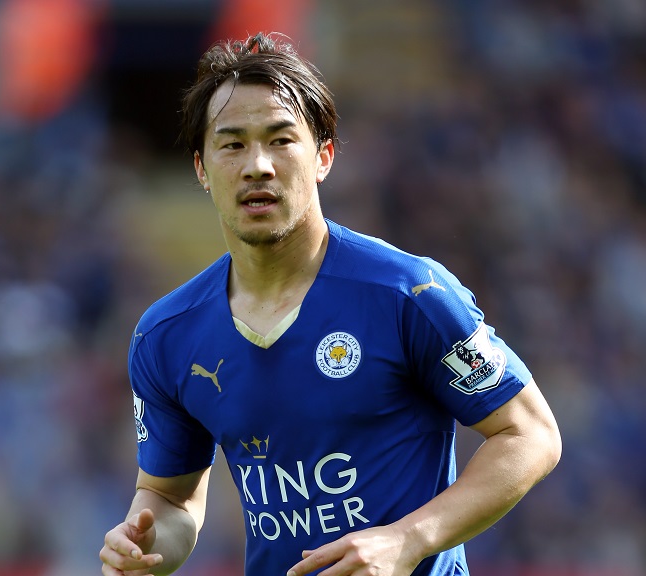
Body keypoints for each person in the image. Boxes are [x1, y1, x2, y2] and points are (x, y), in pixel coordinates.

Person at [100, 32, 562, 576]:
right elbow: (171, 499)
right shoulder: (166, 335)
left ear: (323, 157)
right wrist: (143, 544)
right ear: (201, 169)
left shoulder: (410, 294)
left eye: (280, 140)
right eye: (232, 145)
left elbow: (530, 434)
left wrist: (408, 539)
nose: (258, 166)